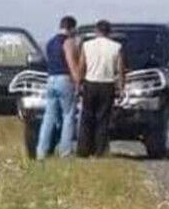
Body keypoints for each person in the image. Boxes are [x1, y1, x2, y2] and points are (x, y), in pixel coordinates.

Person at [76, 19, 125, 157]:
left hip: (90, 83)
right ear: (109, 32)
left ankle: (83, 150)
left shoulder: (87, 45)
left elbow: (81, 66)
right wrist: (121, 88)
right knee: (103, 119)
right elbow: (120, 69)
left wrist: (78, 84)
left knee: (87, 117)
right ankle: (100, 150)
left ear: (96, 31)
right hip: (107, 84)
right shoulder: (116, 47)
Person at [36, 15, 80, 159]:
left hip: (51, 79)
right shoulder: (68, 42)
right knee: (68, 115)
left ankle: (41, 151)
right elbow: (71, 62)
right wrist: (77, 81)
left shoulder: (50, 43)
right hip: (64, 79)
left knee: (49, 116)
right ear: (71, 28)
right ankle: (65, 151)